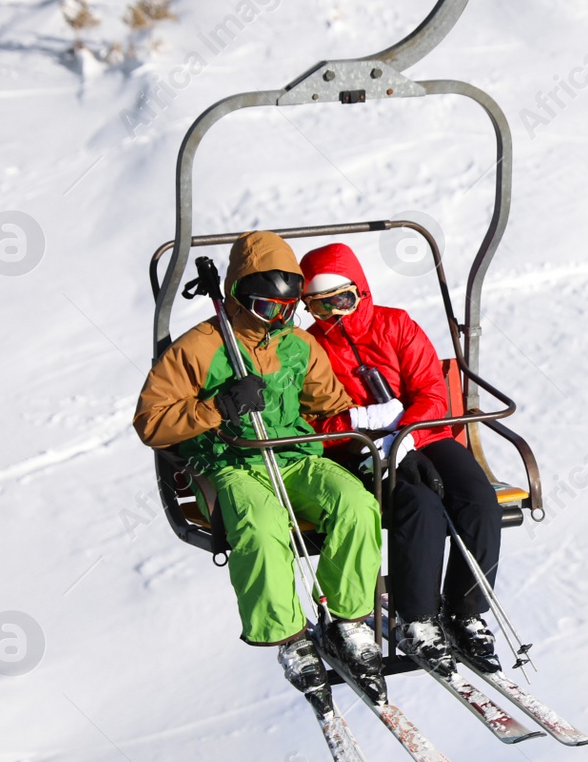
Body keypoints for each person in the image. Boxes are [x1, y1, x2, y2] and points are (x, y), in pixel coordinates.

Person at [132, 231, 393, 702]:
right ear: (237, 296)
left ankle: (350, 620)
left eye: (289, 307)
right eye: (267, 308)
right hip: (232, 461)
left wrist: (368, 410)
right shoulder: (200, 347)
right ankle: (290, 638)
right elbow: (151, 422)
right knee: (260, 523)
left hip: (295, 456)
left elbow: (327, 401)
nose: (280, 317)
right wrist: (218, 407)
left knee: (356, 501)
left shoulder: (298, 346)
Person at [299, 242, 505, 674]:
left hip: (425, 434)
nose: (336, 313)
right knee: (420, 505)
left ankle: (466, 611)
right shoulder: (309, 350)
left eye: (343, 300)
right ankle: (418, 619)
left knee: (477, 500)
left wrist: (407, 431)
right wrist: (361, 422)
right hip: (360, 449)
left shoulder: (396, 326)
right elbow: (310, 425)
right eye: (321, 307)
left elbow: (431, 389)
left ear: (361, 291)